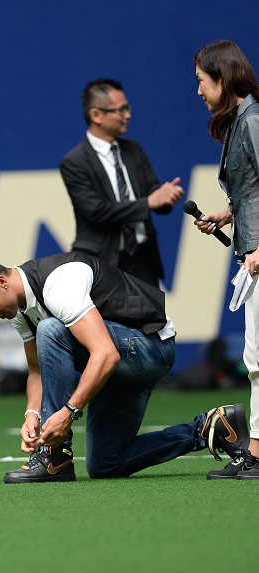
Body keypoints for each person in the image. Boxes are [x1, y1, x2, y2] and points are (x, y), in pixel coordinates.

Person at [0, 253, 249, 482]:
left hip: (150, 348)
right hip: (118, 367)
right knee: (105, 463)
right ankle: (212, 428)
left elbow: (105, 354)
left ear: (2, 283)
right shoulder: (18, 309)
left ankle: (54, 456)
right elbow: (36, 371)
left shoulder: (58, 283)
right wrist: (32, 414)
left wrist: (66, 414)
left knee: (51, 330)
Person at [192, 40, 259, 479]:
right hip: (251, 252)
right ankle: (255, 449)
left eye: (201, 80)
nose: (198, 90)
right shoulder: (241, 121)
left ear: (223, 77)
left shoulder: (253, 121)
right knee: (256, 358)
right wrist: (228, 213)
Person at [60, 79, 184, 288]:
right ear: (96, 115)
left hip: (143, 260)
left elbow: (151, 191)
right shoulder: (74, 162)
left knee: (153, 320)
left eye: (127, 108)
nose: (128, 115)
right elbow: (96, 211)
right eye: (121, 110)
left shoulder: (133, 149)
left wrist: (165, 196)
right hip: (101, 264)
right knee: (105, 322)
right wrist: (148, 203)